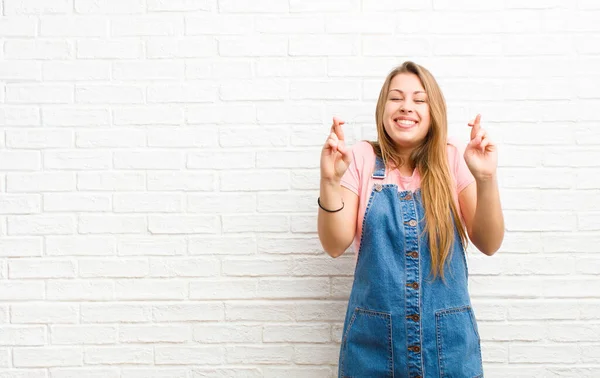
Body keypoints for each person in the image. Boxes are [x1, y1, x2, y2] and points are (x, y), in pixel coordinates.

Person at [317, 61, 504, 378]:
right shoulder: (361, 157)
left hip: (449, 348)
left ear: (434, 111)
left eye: (419, 100)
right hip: (373, 348)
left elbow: (489, 243)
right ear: (383, 107)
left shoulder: (452, 157)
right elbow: (334, 245)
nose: (407, 107)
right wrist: (330, 181)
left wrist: (485, 178)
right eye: (396, 98)